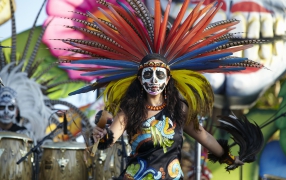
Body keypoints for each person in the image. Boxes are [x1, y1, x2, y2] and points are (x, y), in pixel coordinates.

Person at [57, 0, 264, 179]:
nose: (154, 80)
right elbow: (109, 139)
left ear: (168, 80)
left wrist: (229, 157)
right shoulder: (129, 111)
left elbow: (204, 137)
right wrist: (100, 137)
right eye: (148, 74)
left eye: (160, 74)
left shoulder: (178, 110)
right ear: (139, 79)